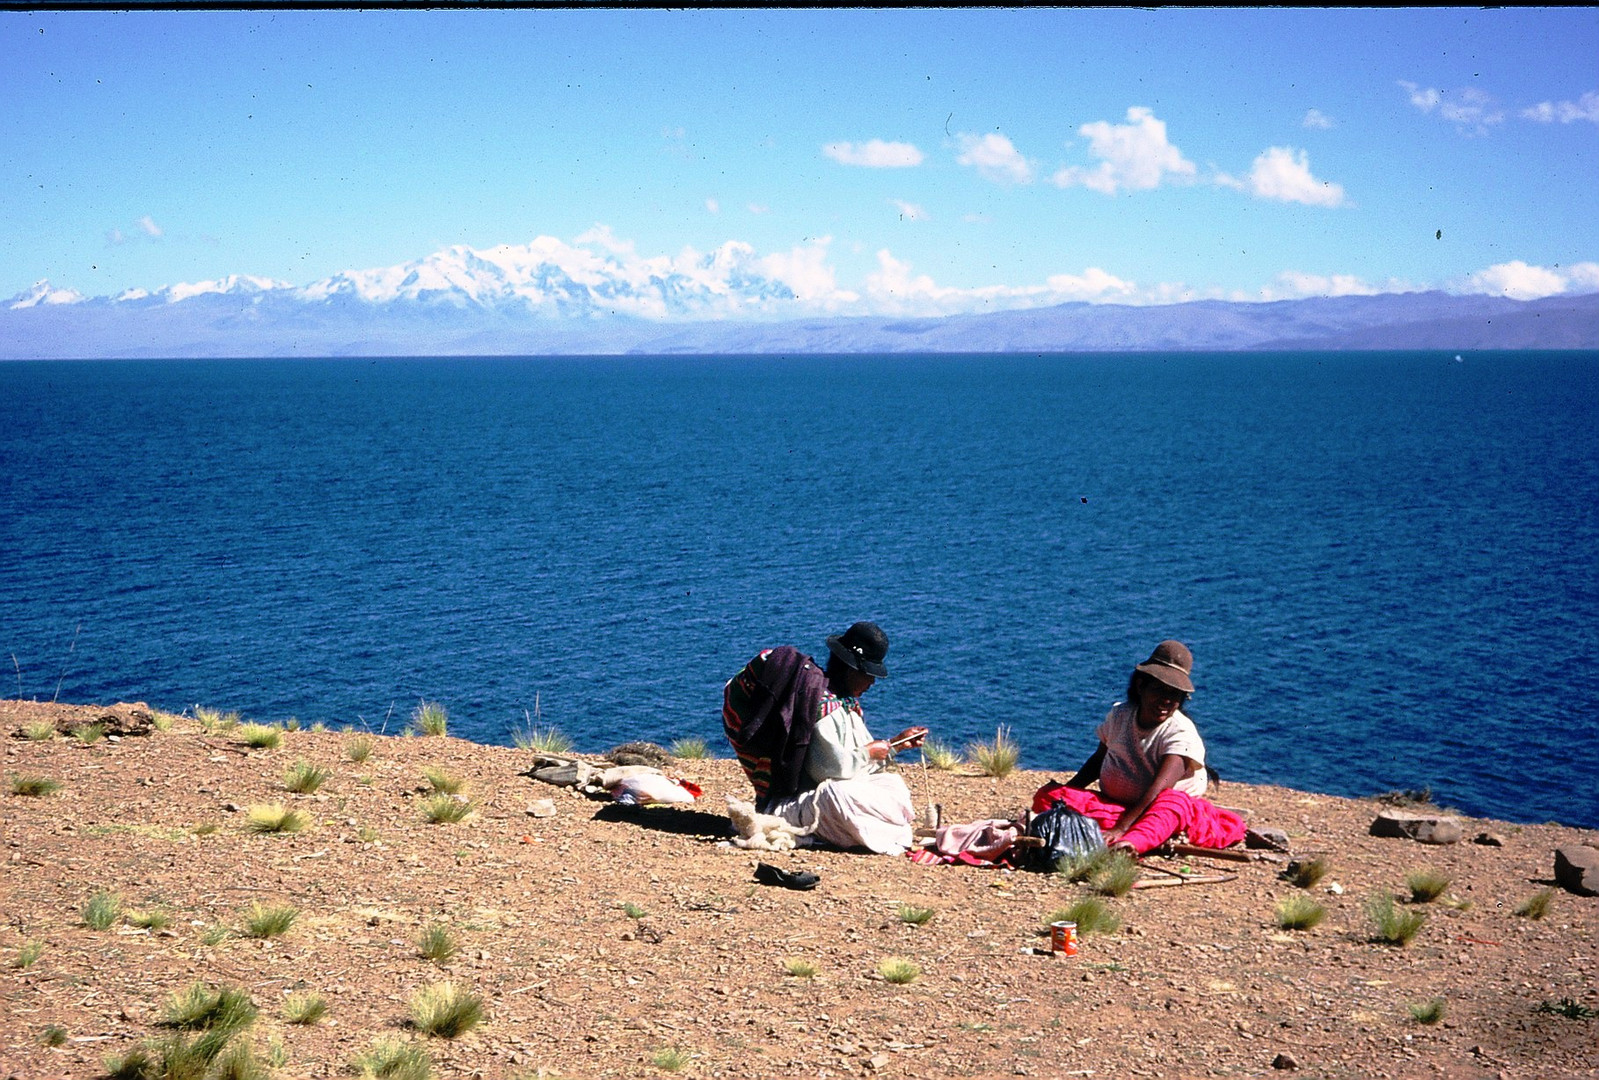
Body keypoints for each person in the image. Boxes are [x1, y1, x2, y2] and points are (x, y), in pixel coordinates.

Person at [723, 621, 927, 855]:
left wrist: (896, 745)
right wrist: (871, 753)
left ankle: (874, 831)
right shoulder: (822, 708)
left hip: (825, 797)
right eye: (869, 675)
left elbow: (858, 768)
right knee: (840, 796)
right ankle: (874, 832)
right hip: (795, 804)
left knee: (894, 785)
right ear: (852, 670)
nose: (872, 682)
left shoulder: (843, 705)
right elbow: (830, 770)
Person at [1034, 640, 1244, 854]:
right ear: (1141, 686)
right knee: (1048, 795)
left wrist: (1121, 828)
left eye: (1175, 695)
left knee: (1172, 804)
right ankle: (1121, 830)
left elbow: (1159, 789)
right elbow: (1097, 761)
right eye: (1160, 690)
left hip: (1162, 810)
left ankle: (1131, 843)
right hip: (1119, 807)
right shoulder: (1120, 716)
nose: (1167, 701)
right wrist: (1065, 795)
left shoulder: (1180, 734)